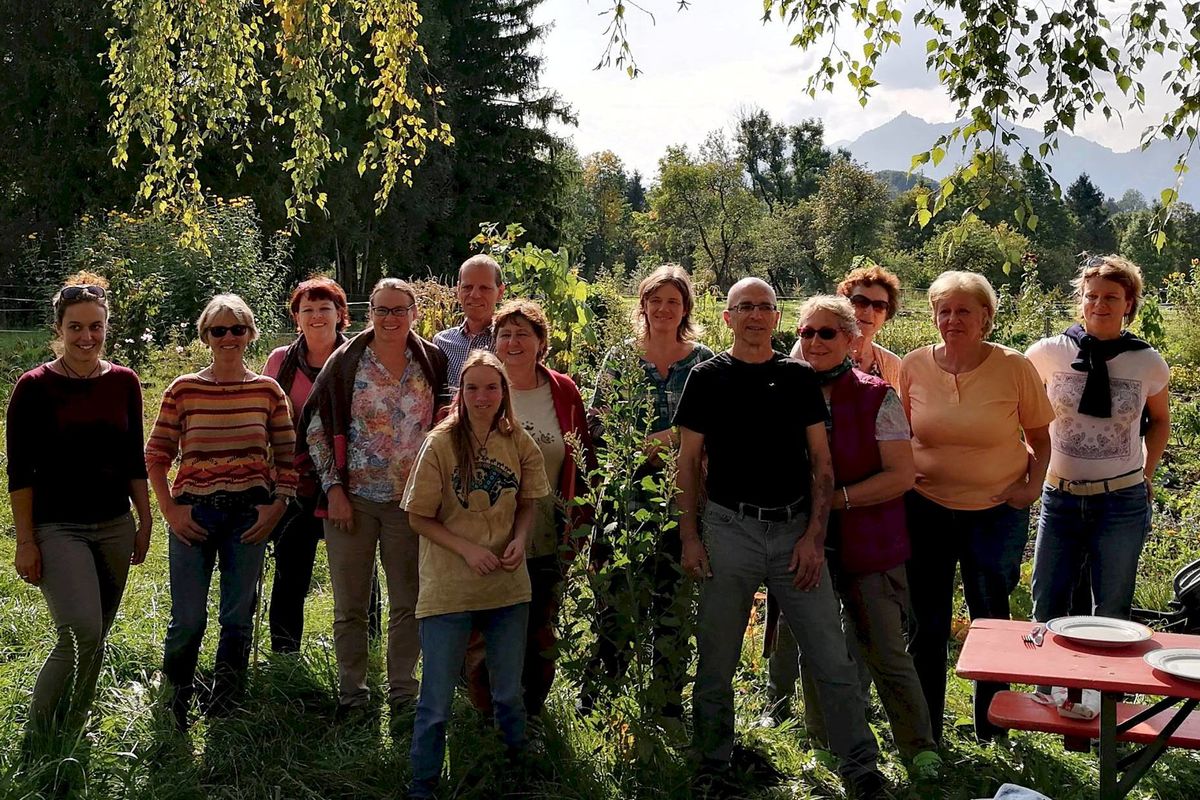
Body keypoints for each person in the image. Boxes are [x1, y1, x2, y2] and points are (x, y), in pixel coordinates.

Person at [676, 278, 885, 797]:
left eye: (764, 307)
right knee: (718, 656)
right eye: (744, 306)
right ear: (727, 317)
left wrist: (815, 535)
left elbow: (821, 462)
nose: (754, 315)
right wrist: (690, 536)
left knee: (830, 655)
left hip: (794, 532)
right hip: (729, 528)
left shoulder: (796, 379)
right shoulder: (706, 378)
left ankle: (860, 767)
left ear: (776, 318)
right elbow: (687, 464)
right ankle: (711, 763)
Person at [898, 270, 1055, 742]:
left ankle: (993, 726)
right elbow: (900, 432)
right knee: (927, 621)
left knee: (990, 618)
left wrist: (1031, 487)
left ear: (985, 317)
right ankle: (926, 726)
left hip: (994, 511)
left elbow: (1041, 438)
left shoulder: (1013, 366)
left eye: (963, 310)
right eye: (944, 310)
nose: (952, 319)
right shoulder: (913, 365)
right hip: (925, 508)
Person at [785, 296, 939, 770]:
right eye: (806, 332)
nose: (814, 341)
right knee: (816, 647)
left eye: (827, 333)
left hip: (869, 543)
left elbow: (900, 475)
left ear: (852, 340)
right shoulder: (785, 393)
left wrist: (836, 500)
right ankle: (824, 740)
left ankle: (919, 748)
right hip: (802, 541)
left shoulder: (876, 396)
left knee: (886, 650)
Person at [7, 273, 152, 746]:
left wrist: (145, 519)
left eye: (95, 326)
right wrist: (25, 541)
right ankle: (37, 737)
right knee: (80, 632)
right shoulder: (32, 388)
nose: (86, 337)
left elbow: (134, 456)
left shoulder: (125, 382)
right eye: (75, 327)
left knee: (97, 636)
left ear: (107, 326)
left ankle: (74, 725)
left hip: (114, 525)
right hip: (57, 528)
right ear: (59, 329)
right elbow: (19, 474)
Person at [401, 351, 550, 800]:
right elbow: (417, 517)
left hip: (507, 587)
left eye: (491, 387)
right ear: (459, 393)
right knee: (436, 703)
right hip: (450, 588)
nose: (482, 397)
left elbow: (528, 501)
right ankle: (423, 784)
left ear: (504, 392)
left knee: (508, 694)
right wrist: (466, 549)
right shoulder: (441, 443)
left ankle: (515, 773)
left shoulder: (517, 439)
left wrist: (521, 540)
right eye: (472, 388)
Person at [298, 277, 448, 720]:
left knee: (408, 602)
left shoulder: (431, 361)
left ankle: (403, 693)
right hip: (353, 503)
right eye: (382, 310)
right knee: (350, 606)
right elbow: (317, 429)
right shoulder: (346, 362)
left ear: (414, 314)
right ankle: (353, 695)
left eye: (399, 310)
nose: (390, 318)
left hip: (411, 505)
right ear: (369, 314)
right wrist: (334, 489)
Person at [147, 294, 297, 729]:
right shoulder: (183, 390)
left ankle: (227, 704)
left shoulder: (267, 391)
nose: (228, 337)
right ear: (205, 336)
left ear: (250, 334)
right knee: (188, 618)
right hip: (194, 513)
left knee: (236, 617)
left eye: (237, 329)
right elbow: (156, 455)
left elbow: (288, 458)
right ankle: (176, 698)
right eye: (219, 330)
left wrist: (276, 508)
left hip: (249, 515)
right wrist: (170, 511)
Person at [582, 264, 714, 718]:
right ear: (643, 305)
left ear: (685, 309)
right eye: (655, 300)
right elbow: (598, 421)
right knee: (617, 595)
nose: (663, 309)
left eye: (673, 302)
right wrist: (648, 445)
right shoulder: (621, 357)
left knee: (673, 599)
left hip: (685, 500)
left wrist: (659, 441)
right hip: (627, 497)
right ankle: (605, 696)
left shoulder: (704, 362)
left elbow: (716, 425)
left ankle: (666, 701)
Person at [463, 300, 595, 719]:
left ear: (542, 342)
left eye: (523, 333)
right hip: (487, 537)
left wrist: (579, 523)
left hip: (546, 536)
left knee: (540, 630)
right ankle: (489, 719)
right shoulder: (481, 388)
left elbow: (582, 458)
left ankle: (532, 718)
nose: (513, 341)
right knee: (486, 632)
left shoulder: (562, 390)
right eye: (505, 333)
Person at [1027, 255, 1169, 623]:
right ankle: (1042, 683)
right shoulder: (1048, 353)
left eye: (1111, 297)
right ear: (1081, 300)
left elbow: (1160, 421)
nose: (1099, 305)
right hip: (1060, 499)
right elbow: (1019, 410)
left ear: (1129, 304)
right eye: (1091, 296)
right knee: (1046, 606)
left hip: (1121, 502)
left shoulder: (1147, 361)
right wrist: (1028, 464)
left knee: (1111, 611)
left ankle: (1108, 683)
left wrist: (1147, 474)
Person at [263, 277, 349, 654]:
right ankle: (285, 655)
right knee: (290, 573)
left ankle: (364, 651)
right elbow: (262, 417)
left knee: (354, 576)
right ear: (296, 317)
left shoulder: (357, 358)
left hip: (347, 486)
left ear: (340, 314)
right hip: (293, 485)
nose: (316, 316)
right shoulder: (280, 362)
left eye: (324, 308)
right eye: (307, 309)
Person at [790, 263, 904, 386]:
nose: (869, 311)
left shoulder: (892, 363)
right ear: (844, 305)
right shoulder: (814, 347)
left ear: (887, 313)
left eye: (879, 306)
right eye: (860, 302)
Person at [433, 254, 506, 388]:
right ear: (458, 290)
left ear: (500, 292)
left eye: (484, 288)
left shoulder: (508, 345)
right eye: (467, 287)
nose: (475, 295)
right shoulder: (442, 343)